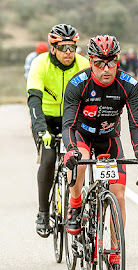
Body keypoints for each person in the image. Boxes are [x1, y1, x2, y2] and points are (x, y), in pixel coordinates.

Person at [62, 34, 138, 235]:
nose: (106, 69)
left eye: (111, 62)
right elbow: (68, 123)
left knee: (118, 195)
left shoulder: (129, 85)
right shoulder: (77, 84)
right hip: (82, 135)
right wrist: (70, 150)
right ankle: (75, 204)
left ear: (117, 61)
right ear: (90, 61)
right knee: (81, 160)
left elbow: (136, 123)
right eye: (99, 63)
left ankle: (114, 256)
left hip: (109, 138)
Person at [27, 24, 89, 238]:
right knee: (48, 157)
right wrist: (40, 129)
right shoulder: (40, 64)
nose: (68, 53)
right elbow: (34, 100)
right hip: (46, 119)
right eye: (63, 48)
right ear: (52, 48)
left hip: (72, 117)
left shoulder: (83, 64)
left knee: (81, 157)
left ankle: (78, 206)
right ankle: (43, 212)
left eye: (72, 47)